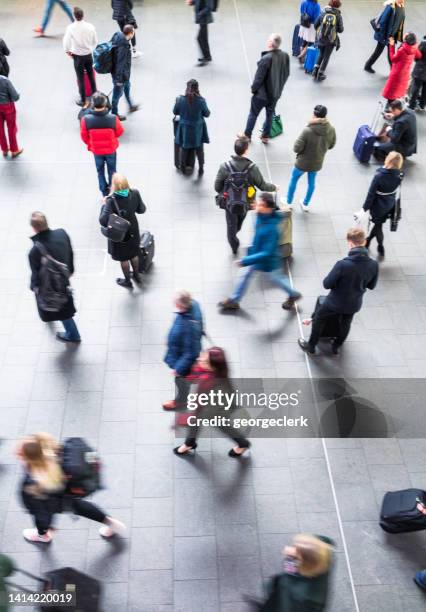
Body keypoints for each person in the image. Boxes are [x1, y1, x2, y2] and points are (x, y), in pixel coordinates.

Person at [16, 433, 125, 543]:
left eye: (21, 455)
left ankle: (43, 535)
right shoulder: (60, 450)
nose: (18, 455)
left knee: (45, 510)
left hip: (55, 497)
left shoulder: (34, 482)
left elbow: (40, 512)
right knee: (79, 507)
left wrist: (42, 528)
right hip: (71, 489)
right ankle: (112, 523)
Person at [298, 228, 379, 355]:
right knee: (346, 323)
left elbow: (327, 284)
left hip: (334, 303)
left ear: (350, 243)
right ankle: (336, 346)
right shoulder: (374, 264)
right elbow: (372, 286)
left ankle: (311, 346)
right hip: (354, 303)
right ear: (364, 242)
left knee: (319, 318)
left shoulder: (343, 264)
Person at [218, 192, 302, 312]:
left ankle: (293, 294)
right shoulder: (262, 216)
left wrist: (246, 260)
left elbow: (266, 252)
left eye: (261, 205)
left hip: (267, 261)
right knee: (248, 275)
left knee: (276, 278)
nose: (258, 206)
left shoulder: (272, 229)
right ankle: (234, 300)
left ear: (269, 209)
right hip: (258, 256)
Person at [173, 347, 251, 458]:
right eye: (202, 355)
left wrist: (190, 417)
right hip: (211, 406)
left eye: (204, 361)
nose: (199, 360)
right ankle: (189, 443)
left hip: (215, 410)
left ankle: (243, 443)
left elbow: (208, 410)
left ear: (213, 367)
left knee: (220, 425)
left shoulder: (211, 382)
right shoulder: (215, 373)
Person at [215, 136, 278, 254]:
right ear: (246, 150)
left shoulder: (225, 167)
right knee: (240, 220)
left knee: (231, 226)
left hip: (229, 202)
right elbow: (262, 185)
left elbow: (217, 187)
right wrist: (274, 187)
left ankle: (234, 244)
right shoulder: (252, 168)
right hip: (246, 202)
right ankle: (236, 229)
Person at [28, 212, 81, 343]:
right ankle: (70, 331)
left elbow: (36, 274)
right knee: (64, 304)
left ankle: (73, 334)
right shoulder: (62, 233)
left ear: (34, 228)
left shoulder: (35, 251)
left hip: (50, 285)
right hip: (64, 276)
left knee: (62, 309)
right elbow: (70, 251)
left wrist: (34, 287)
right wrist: (71, 270)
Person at [250, 534, 334, 611]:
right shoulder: (324, 552)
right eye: (293, 546)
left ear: (304, 563)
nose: (287, 549)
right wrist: (291, 558)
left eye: (296, 552)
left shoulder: (298, 596)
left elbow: (283, 605)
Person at [239, 33, 290, 144]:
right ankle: (265, 136)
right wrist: (279, 87)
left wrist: (253, 89)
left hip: (261, 95)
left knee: (253, 114)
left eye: (268, 40)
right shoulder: (285, 56)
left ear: (271, 43)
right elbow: (286, 74)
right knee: (270, 114)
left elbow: (259, 78)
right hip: (275, 94)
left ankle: (247, 135)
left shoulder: (266, 58)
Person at [99, 173, 146, 288]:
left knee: (124, 258)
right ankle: (137, 276)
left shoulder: (110, 201)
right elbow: (142, 210)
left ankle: (127, 281)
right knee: (134, 253)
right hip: (133, 230)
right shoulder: (134, 193)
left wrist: (103, 205)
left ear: (113, 186)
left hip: (119, 233)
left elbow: (103, 221)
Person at [286, 105, 336, 212]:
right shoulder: (331, 129)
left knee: (294, 179)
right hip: (317, 162)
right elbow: (331, 145)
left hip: (302, 162)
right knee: (311, 183)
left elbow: (296, 148)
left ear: (314, 115)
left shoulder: (307, 130)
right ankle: (305, 203)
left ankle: (288, 202)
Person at [163, 292, 204, 411]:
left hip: (183, 357)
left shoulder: (189, 326)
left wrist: (179, 369)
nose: (174, 305)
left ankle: (181, 401)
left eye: (175, 304)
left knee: (181, 379)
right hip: (180, 348)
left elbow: (191, 353)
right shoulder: (194, 304)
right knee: (184, 377)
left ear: (181, 306)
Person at [80, 92, 124, 197]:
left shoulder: (86, 120)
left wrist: (91, 144)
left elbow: (84, 137)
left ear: (92, 104)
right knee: (112, 171)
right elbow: (119, 132)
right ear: (105, 104)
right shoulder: (113, 118)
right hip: (111, 150)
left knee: (100, 171)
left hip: (97, 151)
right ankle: (112, 191)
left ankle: (104, 191)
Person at [364, 151, 404, 256]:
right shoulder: (400, 174)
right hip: (389, 204)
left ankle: (380, 246)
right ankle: (368, 241)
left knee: (378, 226)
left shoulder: (379, 176)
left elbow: (371, 194)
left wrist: (364, 208)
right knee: (378, 224)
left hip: (377, 205)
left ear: (389, 161)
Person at [173, 79, 210, 176]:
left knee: (184, 148)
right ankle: (201, 168)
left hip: (184, 130)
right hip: (197, 130)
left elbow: (175, 111)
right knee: (199, 150)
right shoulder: (201, 101)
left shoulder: (180, 99)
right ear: (197, 89)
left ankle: (183, 167)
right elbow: (207, 114)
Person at [63, 7, 98, 108]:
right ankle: (95, 97)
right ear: (83, 15)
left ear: (74, 16)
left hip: (77, 57)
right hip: (88, 55)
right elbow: (95, 41)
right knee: (91, 77)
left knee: (80, 78)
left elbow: (66, 42)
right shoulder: (90, 26)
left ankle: (83, 100)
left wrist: (67, 51)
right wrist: (90, 49)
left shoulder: (71, 28)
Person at [364, 0, 405, 74]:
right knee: (380, 51)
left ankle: (368, 66)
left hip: (392, 35)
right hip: (385, 35)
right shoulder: (391, 7)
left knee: (388, 52)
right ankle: (368, 66)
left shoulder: (401, 6)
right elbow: (383, 21)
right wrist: (383, 36)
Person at [382, 32, 421, 104]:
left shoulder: (402, 50)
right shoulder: (414, 48)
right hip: (405, 74)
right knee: (399, 92)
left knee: (391, 94)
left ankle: (390, 109)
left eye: (405, 35)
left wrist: (392, 45)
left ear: (406, 39)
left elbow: (393, 58)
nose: (403, 36)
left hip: (397, 73)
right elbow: (419, 56)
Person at [111, 24, 140, 120]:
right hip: (120, 76)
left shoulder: (119, 36)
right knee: (117, 94)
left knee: (127, 88)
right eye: (133, 32)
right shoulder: (123, 46)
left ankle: (131, 106)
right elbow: (120, 64)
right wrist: (118, 81)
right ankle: (114, 113)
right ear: (131, 33)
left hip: (124, 75)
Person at [313, 0, 344, 81]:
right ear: (338, 5)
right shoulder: (338, 15)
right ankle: (320, 73)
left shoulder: (323, 13)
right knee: (326, 57)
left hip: (320, 38)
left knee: (321, 54)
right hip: (331, 40)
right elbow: (341, 30)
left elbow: (316, 25)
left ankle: (315, 70)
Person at [0, 74, 22, 158]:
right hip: (8, 106)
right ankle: (14, 150)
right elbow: (15, 97)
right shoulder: (5, 80)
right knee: (11, 128)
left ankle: (4, 149)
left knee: (0, 129)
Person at [186, 0, 214, 66]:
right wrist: (192, 2)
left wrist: (199, 14)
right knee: (203, 38)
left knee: (200, 38)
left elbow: (209, 7)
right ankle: (207, 56)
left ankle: (207, 57)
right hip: (202, 19)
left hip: (204, 19)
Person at [409, 35, 426, 110]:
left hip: (421, 69)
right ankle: (422, 104)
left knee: (416, 87)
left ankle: (412, 105)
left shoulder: (424, 43)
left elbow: (417, 55)